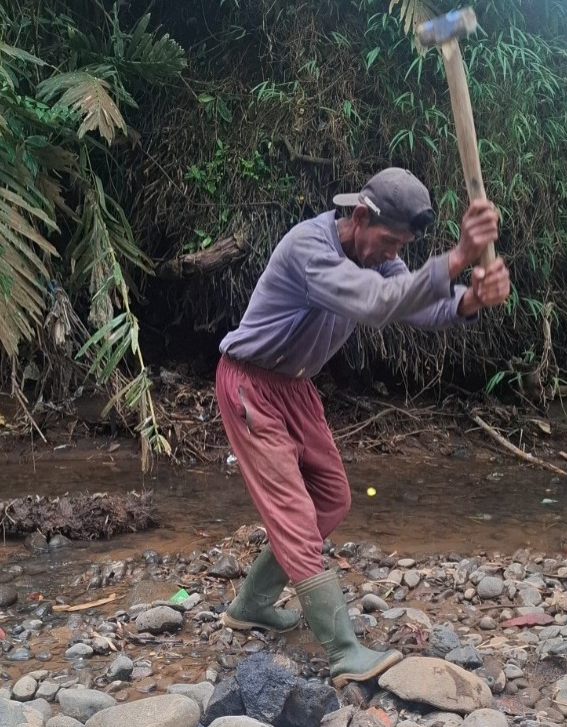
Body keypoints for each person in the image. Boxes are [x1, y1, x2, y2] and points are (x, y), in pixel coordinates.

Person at [214, 167, 511, 687]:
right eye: (389, 241)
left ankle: (252, 604)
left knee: (331, 499)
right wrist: (459, 257)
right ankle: (344, 652)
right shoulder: (310, 250)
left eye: (401, 246)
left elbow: (414, 308)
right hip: (250, 386)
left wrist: (468, 301)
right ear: (359, 216)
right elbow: (376, 305)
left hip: (294, 388)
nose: (391, 254)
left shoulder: (384, 255)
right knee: (295, 515)